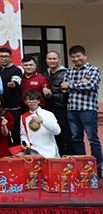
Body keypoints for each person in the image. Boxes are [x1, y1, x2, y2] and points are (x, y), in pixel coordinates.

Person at [62, 45, 103, 176]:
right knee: (76, 139)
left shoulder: (93, 70)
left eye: (78, 56)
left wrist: (71, 85)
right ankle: (82, 167)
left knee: (93, 139)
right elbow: (63, 88)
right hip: (72, 110)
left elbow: (91, 85)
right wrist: (81, 84)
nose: (76, 59)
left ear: (85, 56)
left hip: (88, 110)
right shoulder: (69, 71)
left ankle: (98, 168)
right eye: (73, 57)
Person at [43, 51, 73, 156]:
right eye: (49, 59)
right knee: (54, 137)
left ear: (59, 60)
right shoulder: (45, 74)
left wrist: (52, 95)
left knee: (66, 137)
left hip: (63, 110)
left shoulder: (66, 73)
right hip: (49, 110)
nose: (52, 61)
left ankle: (69, 159)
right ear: (46, 60)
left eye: (54, 59)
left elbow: (68, 93)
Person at [0, 47, 23, 146]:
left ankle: (16, 151)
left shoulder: (16, 70)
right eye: (1, 56)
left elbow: (16, 82)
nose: (4, 58)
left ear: (11, 57)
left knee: (15, 131)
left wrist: (13, 84)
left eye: (6, 56)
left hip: (14, 108)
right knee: (0, 131)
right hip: (0, 107)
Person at [20, 90, 61, 158]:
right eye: (29, 100)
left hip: (50, 152)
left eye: (34, 99)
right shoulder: (23, 117)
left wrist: (43, 121)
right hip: (34, 152)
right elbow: (23, 134)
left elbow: (57, 131)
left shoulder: (48, 114)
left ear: (39, 101)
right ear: (25, 101)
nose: (31, 102)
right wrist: (26, 144)